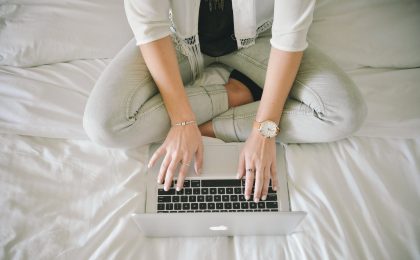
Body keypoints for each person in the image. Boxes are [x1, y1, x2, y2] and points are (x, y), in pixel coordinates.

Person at [83, 0, 367, 203]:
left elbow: (289, 36)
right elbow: (149, 24)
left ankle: (208, 121)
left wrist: (263, 131)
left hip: (262, 40)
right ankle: (236, 94)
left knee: (344, 113)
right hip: (176, 42)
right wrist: (182, 121)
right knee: (104, 125)